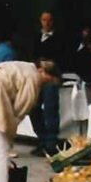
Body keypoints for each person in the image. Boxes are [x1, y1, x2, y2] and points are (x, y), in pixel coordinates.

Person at [28, 11, 66, 156]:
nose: (47, 23)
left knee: (50, 110)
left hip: (52, 77)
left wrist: (53, 71)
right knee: (33, 108)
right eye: (44, 20)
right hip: (37, 77)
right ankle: (42, 141)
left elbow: (62, 58)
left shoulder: (59, 38)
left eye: (49, 20)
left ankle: (50, 144)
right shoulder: (36, 37)